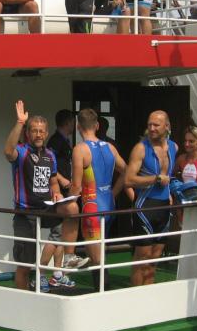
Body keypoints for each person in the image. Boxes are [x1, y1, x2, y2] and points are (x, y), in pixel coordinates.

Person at [4, 100, 83, 292]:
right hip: (26, 213)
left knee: (72, 207)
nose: (38, 134)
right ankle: (23, 299)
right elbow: (8, 151)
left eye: (41, 131)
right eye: (34, 131)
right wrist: (20, 122)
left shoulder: (50, 155)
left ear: (46, 133)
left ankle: (69, 256)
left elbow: (53, 181)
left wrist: (57, 192)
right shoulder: (22, 152)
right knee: (25, 265)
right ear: (28, 133)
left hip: (47, 209)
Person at [70, 108, 130, 289]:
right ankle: (103, 293)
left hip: (92, 207)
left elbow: (76, 186)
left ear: (78, 126)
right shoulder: (110, 147)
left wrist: (66, 205)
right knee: (101, 253)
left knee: (97, 259)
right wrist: (113, 193)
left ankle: (102, 295)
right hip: (109, 204)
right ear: (97, 126)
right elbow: (126, 171)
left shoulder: (80, 149)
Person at [125, 110, 178, 286]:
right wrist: (155, 179)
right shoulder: (141, 148)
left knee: (154, 258)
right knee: (142, 257)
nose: (152, 128)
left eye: (156, 125)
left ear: (167, 126)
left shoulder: (174, 147)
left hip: (164, 207)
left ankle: (149, 294)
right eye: (150, 124)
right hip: (145, 207)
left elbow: (170, 177)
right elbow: (128, 180)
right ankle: (135, 296)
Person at [39, 109, 76, 282]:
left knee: (62, 233)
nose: (74, 125)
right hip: (56, 193)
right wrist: (62, 180)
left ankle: (57, 273)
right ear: (67, 122)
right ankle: (40, 274)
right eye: (73, 122)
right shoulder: (55, 141)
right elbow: (49, 164)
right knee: (57, 233)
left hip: (64, 193)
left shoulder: (64, 141)